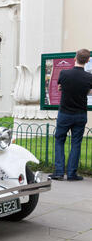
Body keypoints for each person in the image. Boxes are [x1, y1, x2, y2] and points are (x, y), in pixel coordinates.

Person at [50, 49, 92, 181]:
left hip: (65, 113)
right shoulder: (89, 77)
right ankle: (72, 173)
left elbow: (60, 87)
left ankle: (59, 172)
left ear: (75, 58)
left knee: (59, 141)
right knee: (76, 143)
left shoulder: (64, 73)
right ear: (87, 60)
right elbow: (89, 92)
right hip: (80, 114)